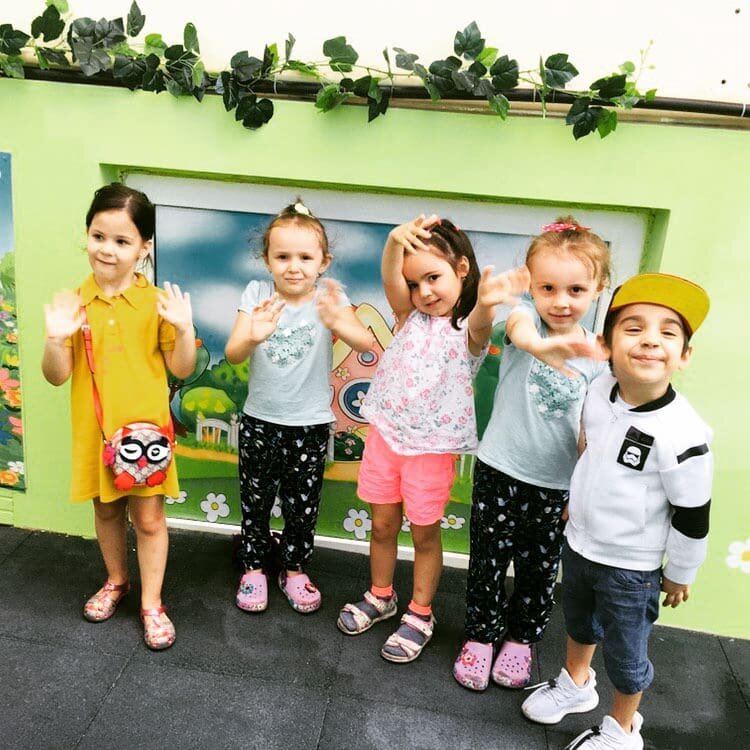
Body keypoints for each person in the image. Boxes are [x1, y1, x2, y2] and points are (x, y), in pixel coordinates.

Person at [521, 273, 712, 749]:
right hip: (581, 544)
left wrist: (680, 573)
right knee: (579, 623)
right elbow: (590, 450)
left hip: (632, 568)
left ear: (684, 355)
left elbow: (693, 513)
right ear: (606, 345)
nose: (650, 340)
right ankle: (576, 685)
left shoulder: (684, 433)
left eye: (667, 332)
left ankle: (623, 729)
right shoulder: (600, 388)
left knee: (627, 655)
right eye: (634, 328)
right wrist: (577, 500)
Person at [337, 214, 529, 663]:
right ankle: (381, 595)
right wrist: (392, 242)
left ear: (461, 269)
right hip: (385, 437)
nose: (424, 291)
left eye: (433, 278)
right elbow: (391, 281)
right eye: (414, 283)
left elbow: (479, 323)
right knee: (382, 525)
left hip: (431, 450)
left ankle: (421, 613)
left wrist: (487, 303)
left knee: (424, 534)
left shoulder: (468, 332)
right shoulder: (408, 317)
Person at [454, 217, 611, 690]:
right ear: (532, 287)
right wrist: (544, 346)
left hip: (555, 485)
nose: (561, 301)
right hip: (500, 470)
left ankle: (521, 640)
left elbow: (589, 432)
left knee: (539, 570)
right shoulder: (523, 317)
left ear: (599, 288)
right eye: (548, 288)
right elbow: (515, 334)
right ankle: (481, 636)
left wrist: (581, 490)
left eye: (576, 290)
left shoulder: (598, 356)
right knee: (487, 562)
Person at [41, 183, 196, 650]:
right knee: (106, 510)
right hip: (96, 432)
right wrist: (55, 339)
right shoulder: (72, 301)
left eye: (122, 241)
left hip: (146, 436)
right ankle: (116, 581)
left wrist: (183, 329)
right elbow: (56, 376)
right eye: (98, 236)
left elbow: (181, 369)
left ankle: (152, 603)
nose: (107, 249)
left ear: (144, 248)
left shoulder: (157, 303)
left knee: (148, 519)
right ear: (87, 235)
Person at [225, 199, 373, 615]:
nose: (294, 267)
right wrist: (253, 334)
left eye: (305, 258)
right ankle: (253, 567)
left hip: (310, 424)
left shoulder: (328, 298)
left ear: (323, 262)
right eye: (283, 257)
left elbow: (364, 342)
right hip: (260, 421)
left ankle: (294, 569)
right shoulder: (257, 294)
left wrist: (338, 319)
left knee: (302, 505)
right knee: (255, 500)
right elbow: (234, 353)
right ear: (267, 260)